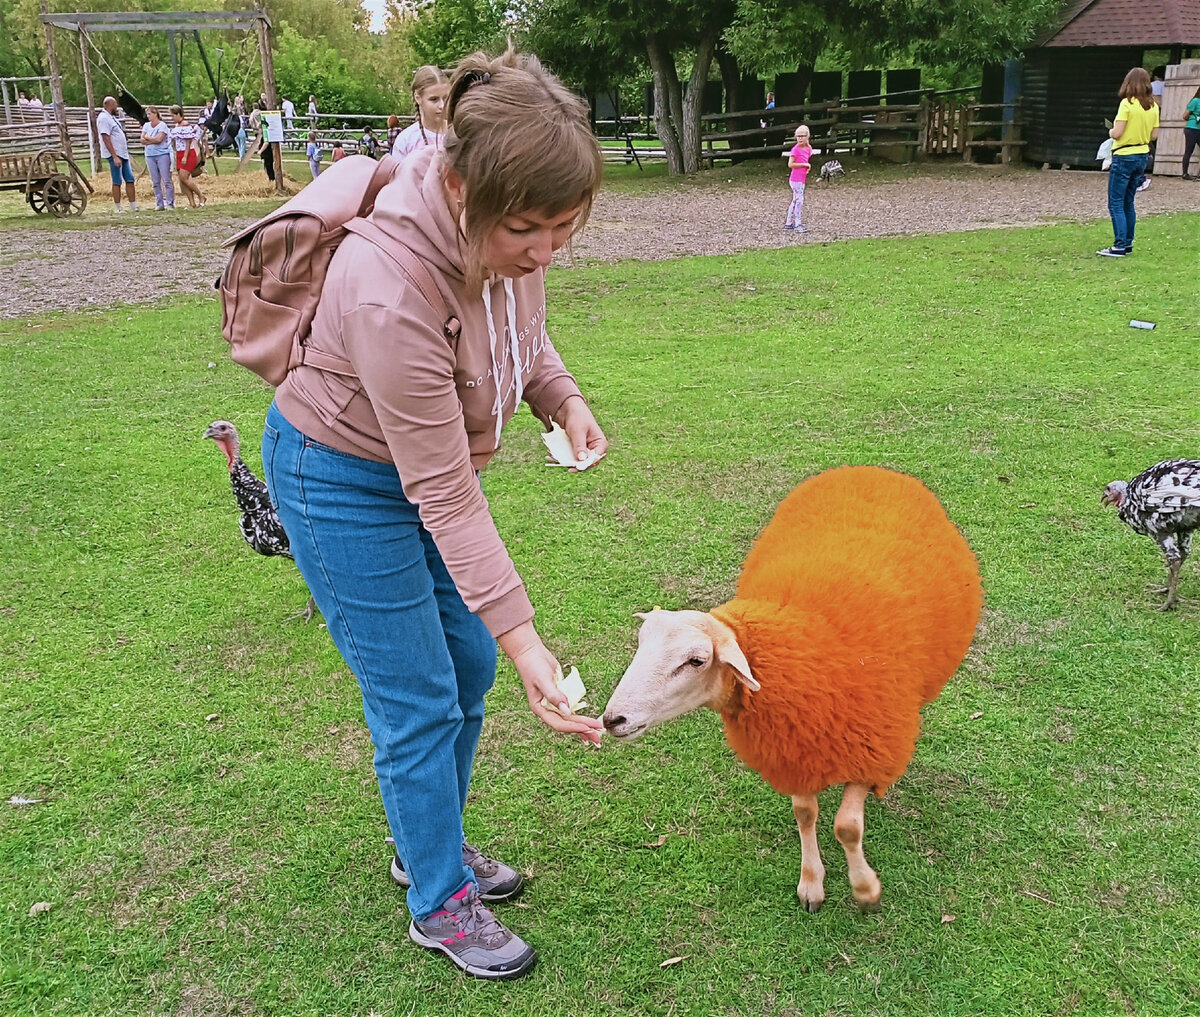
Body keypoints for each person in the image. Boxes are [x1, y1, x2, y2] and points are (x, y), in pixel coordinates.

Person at [259, 45, 606, 981]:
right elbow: (445, 491)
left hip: (415, 465)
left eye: (563, 230)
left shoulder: (504, 230)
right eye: (528, 230)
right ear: (460, 190)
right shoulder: (387, 281)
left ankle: (431, 845)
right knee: (416, 694)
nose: (544, 252)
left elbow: (515, 329)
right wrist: (538, 645)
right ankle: (437, 898)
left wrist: (559, 396)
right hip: (337, 475)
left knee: (468, 658)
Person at [1098, 68, 1159, 257]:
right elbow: (1154, 135)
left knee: (1116, 202)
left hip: (1124, 154)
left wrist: (1110, 132)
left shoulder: (1127, 104)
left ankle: (1119, 245)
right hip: (1142, 154)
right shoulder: (1153, 106)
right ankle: (1128, 243)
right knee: (1128, 201)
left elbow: (1117, 133)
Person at [391, 66, 449, 159]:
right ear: (418, 98)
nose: (442, 105)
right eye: (434, 99)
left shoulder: (458, 134)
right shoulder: (406, 140)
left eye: (445, 98)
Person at [97, 96, 138, 213]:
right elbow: (106, 137)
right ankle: (118, 207)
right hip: (115, 154)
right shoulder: (104, 118)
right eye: (115, 105)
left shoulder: (111, 118)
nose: (117, 107)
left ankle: (133, 205)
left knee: (130, 179)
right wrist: (114, 156)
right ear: (109, 105)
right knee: (117, 180)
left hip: (122, 153)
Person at [169, 104, 206, 209]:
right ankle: (191, 202)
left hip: (187, 153)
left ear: (178, 114)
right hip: (179, 153)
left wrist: (185, 156)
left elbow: (188, 141)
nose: (172, 118)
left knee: (184, 177)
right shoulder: (177, 126)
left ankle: (201, 195)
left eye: (173, 116)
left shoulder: (185, 125)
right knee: (182, 179)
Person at [141, 106, 175, 210]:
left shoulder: (162, 125)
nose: (148, 116)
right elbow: (142, 139)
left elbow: (159, 139)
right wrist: (151, 139)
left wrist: (148, 138)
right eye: (147, 114)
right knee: (155, 181)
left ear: (155, 114)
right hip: (150, 155)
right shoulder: (146, 125)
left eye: (150, 114)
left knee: (166, 179)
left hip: (162, 154)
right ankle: (159, 203)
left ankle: (169, 203)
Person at [784, 124, 812, 231]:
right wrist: (804, 165)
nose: (800, 138)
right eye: (798, 136)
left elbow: (806, 159)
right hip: (795, 179)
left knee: (795, 200)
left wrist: (806, 168)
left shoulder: (808, 148)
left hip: (801, 179)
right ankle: (797, 223)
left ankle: (789, 223)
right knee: (799, 200)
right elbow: (791, 164)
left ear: (807, 136)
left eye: (802, 136)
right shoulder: (795, 149)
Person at [250, 102, 274, 182]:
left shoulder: (265, 132)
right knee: (267, 165)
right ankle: (270, 178)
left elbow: (266, 143)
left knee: (269, 165)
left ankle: (271, 179)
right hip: (266, 152)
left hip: (267, 152)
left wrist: (260, 151)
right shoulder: (261, 113)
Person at [1183, 85, 1200, 181]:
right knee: (1189, 150)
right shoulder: (1196, 101)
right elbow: (1185, 116)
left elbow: (1185, 116)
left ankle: (1187, 173)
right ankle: (1185, 173)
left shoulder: (1196, 101)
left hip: (1194, 128)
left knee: (1188, 151)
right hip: (1193, 128)